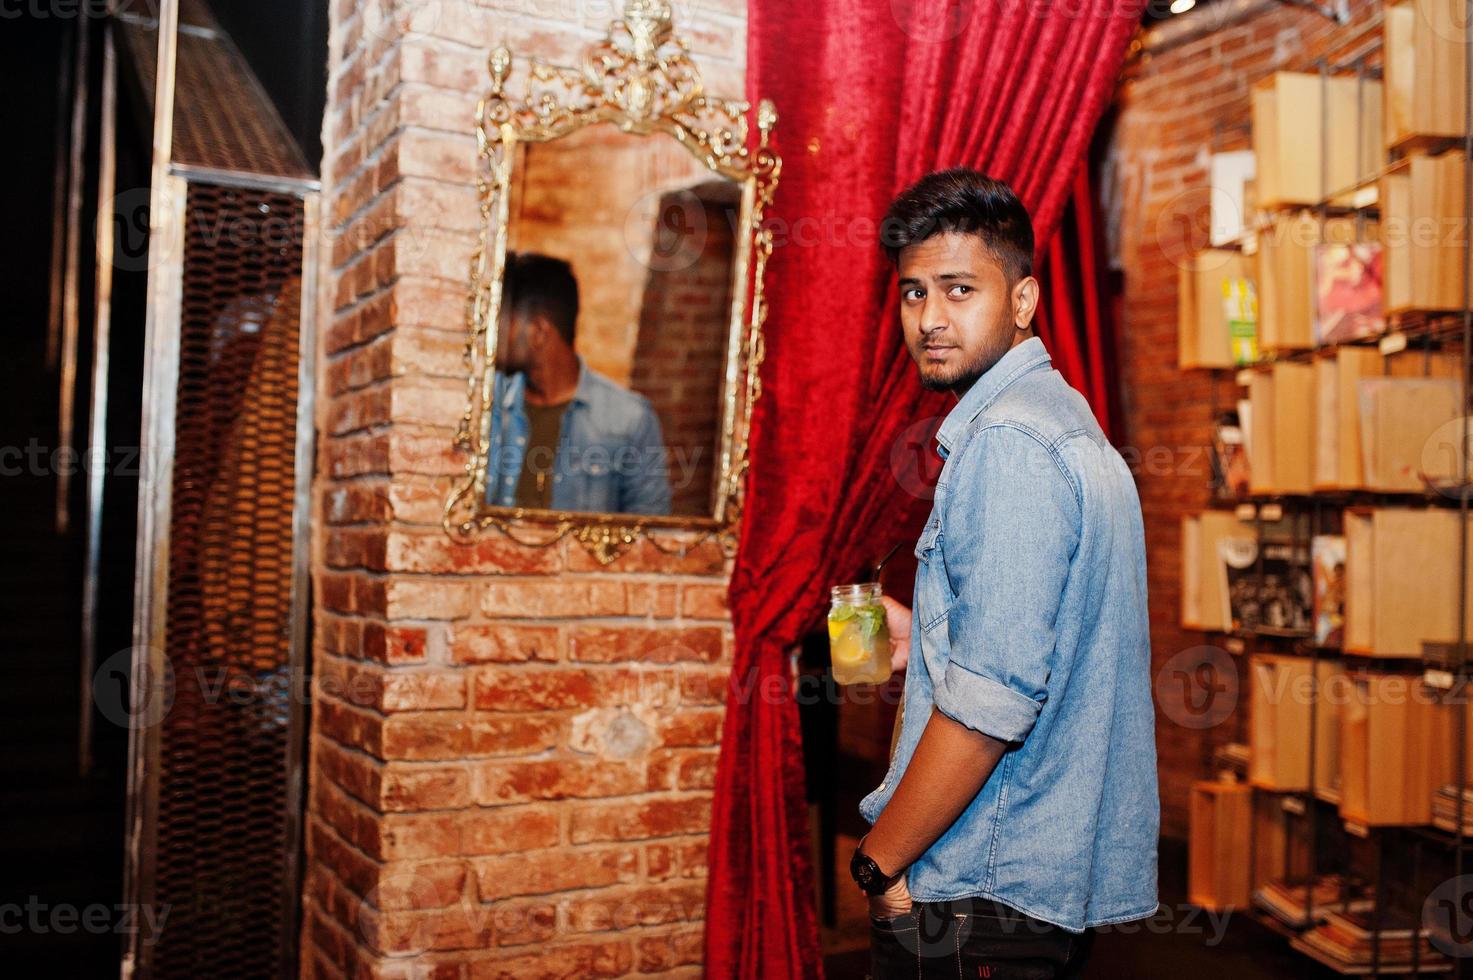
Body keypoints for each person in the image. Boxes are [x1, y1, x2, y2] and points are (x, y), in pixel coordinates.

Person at [849, 169, 1159, 978]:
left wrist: (879, 861)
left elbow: (990, 704)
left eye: (958, 289)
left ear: (1022, 301)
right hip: (1030, 879)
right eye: (913, 294)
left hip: (980, 879)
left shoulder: (1008, 444)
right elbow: (1045, 641)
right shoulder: (1065, 422)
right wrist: (929, 638)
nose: (930, 319)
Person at [484, 252, 671, 515]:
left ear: (538, 331)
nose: (492, 336)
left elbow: (648, 531)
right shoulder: (486, 403)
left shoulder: (629, 419)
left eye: (501, 323)